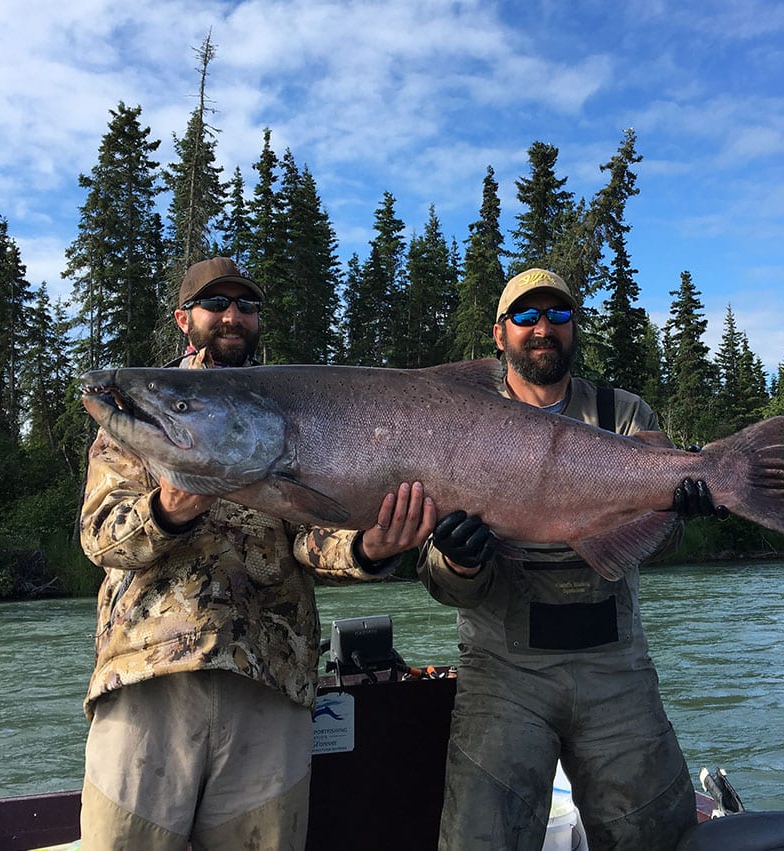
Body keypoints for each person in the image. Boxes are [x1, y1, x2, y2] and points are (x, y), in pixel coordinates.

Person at [78, 256, 435, 851]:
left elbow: (311, 539)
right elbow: (100, 537)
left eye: (245, 305)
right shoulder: (142, 412)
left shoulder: (289, 413)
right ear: (183, 319)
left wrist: (370, 549)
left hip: (272, 680)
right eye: (215, 304)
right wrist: (168, 510)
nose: (232, 316)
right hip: (150, 676)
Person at [418, 268, 724, 850]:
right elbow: (443, 585)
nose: (542, 328)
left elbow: (664, 547)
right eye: (526, 317)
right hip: (502, 673)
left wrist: (675, 513)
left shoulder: (624, 414)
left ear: (573, 328)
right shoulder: (453, 417)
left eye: (557, 316)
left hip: (617, 670)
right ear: (499, 332)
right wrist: (457, 562)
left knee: (655, 837)